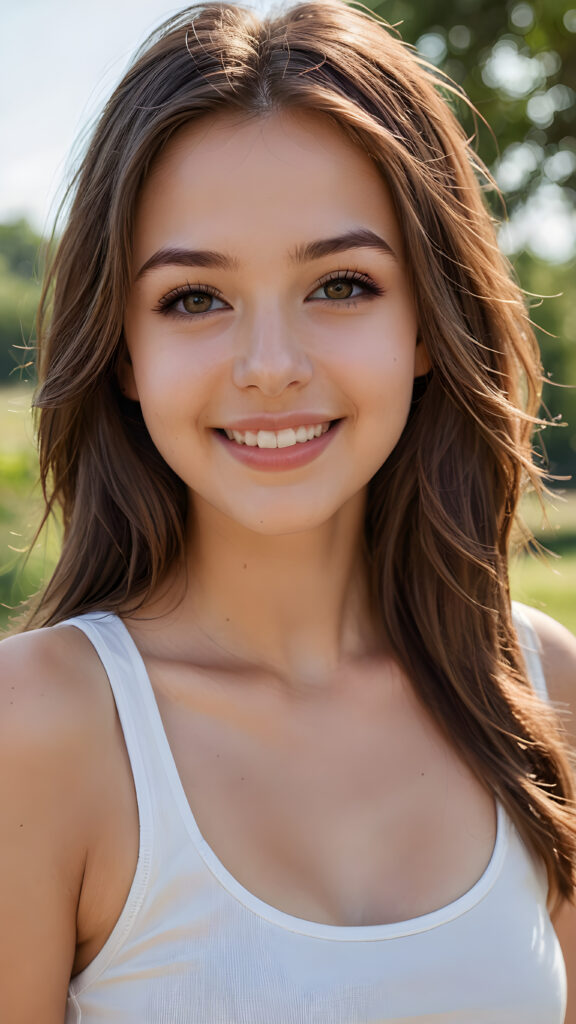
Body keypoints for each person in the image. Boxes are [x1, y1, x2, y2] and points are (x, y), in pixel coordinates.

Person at [1, 1, 576, 1020]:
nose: (270, 366)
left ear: (427, 323)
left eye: (342, 285)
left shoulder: (543, 693)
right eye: (195, 297)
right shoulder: (36, 729)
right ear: (125, 352)